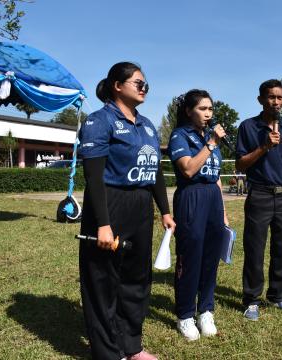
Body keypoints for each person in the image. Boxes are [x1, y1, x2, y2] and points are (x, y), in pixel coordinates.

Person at [78, 62, 175, 360]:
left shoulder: (147, 124)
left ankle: (132, 346)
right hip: (110, 202)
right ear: (117, 86)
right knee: (103, 282)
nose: (144, 88)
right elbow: (94, 177)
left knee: (137, 280)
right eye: (138, 83)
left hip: (141, 206)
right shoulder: (99, 121)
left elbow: (155, 169)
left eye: (146, 84)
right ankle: (108, 353)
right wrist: (103, 224)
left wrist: (165, 210)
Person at [236, 79, 282, 321]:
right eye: (271, 97)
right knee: (255, 249)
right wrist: (264, 147)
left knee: (281, 249)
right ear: (261, 100)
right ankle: (251, 300)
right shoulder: (248, 127)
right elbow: (240, 164)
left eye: (280, 97)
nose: (276, 101)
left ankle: (277, 296)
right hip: (260, 194)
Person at [167, 89, 229, 341]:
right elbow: (189, 169)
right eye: (202, 108)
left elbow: (215, 178)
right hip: (191, 196)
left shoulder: (208, 136)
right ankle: (185, 314)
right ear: (188, 111)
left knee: (210, 257)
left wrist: (223, 211)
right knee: (190, 256)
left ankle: (205, 310)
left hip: (212, 198)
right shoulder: (180, 136)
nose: (208, 113)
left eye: (210, 109)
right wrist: (211, 143)